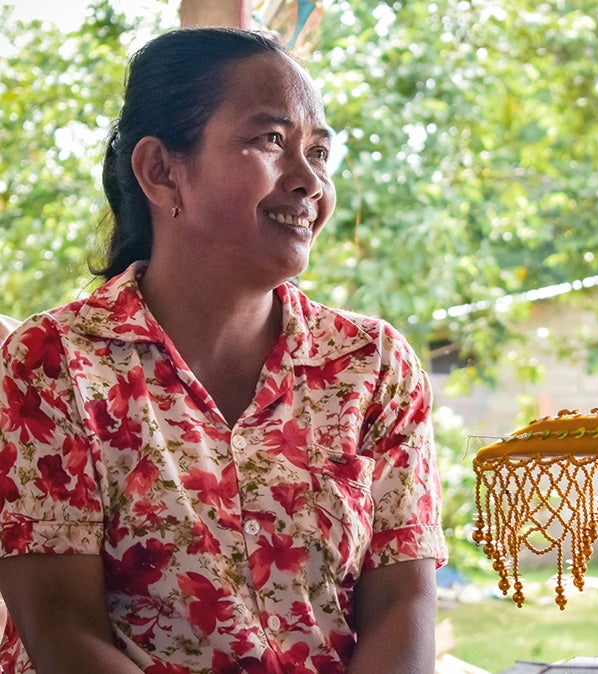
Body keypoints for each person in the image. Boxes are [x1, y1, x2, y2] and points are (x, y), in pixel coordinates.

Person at [0, 28, 446, 674]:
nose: (309, 181)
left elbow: (403, 605)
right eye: (270, 140)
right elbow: (65, 632)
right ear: (160, 170)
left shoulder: (372, 365)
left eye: (319, 152)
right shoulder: (55, 361)